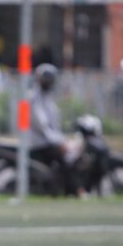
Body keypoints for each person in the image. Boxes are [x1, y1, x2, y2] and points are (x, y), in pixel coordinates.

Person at [30, 63, 86, 197]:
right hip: (39, 143)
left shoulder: (46, 97)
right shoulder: (33, 97)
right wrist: (60, 143)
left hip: (49, 140)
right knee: (64, 158)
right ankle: (74, 190)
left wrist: (63, 140)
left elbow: (53, 125)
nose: (49, 83)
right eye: (47, 80)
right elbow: (42, 126)